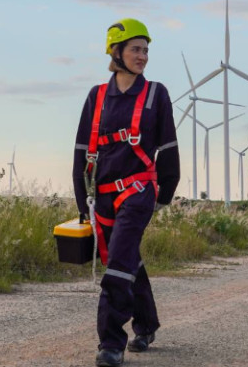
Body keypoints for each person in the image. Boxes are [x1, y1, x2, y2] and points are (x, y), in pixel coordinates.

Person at [72, 18, 180, 367]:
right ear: (116, 52)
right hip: (102, 194)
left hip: (138, 190)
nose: (143, 56)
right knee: (126, 258)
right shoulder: (97, 96)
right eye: (136, 49)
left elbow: (169, 148)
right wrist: (80, 200)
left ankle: (111, 342)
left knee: (118, 260)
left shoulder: (156, 94)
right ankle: (146, 325)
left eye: (146, 50)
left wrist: (165, 194)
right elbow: (81, 151)